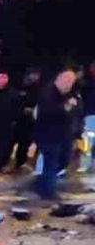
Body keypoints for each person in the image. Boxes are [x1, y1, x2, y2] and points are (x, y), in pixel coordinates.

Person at [33, 66, 81, 200]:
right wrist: (66, 108)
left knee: (64, 159)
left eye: (71, 81)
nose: (68, 83)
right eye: (66, 79)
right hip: (48, 134)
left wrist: (77, 132)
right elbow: (47, 112)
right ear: (58, 78)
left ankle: (42, 183)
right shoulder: (48, 92)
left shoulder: (71, 93)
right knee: (51, 162)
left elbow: (78, 110)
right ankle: (48, 192)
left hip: (65, 134)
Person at [10, 68, 42, 171]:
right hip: (16, 118)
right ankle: (4, 162)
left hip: (29, 120)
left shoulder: (37, 89)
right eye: (34, 74)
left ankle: (21, 162)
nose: (35, 77)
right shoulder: (18, 86)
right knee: (10, 141)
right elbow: (14, 101)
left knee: (25, 141)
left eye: (37, 75)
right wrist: (20, 109)